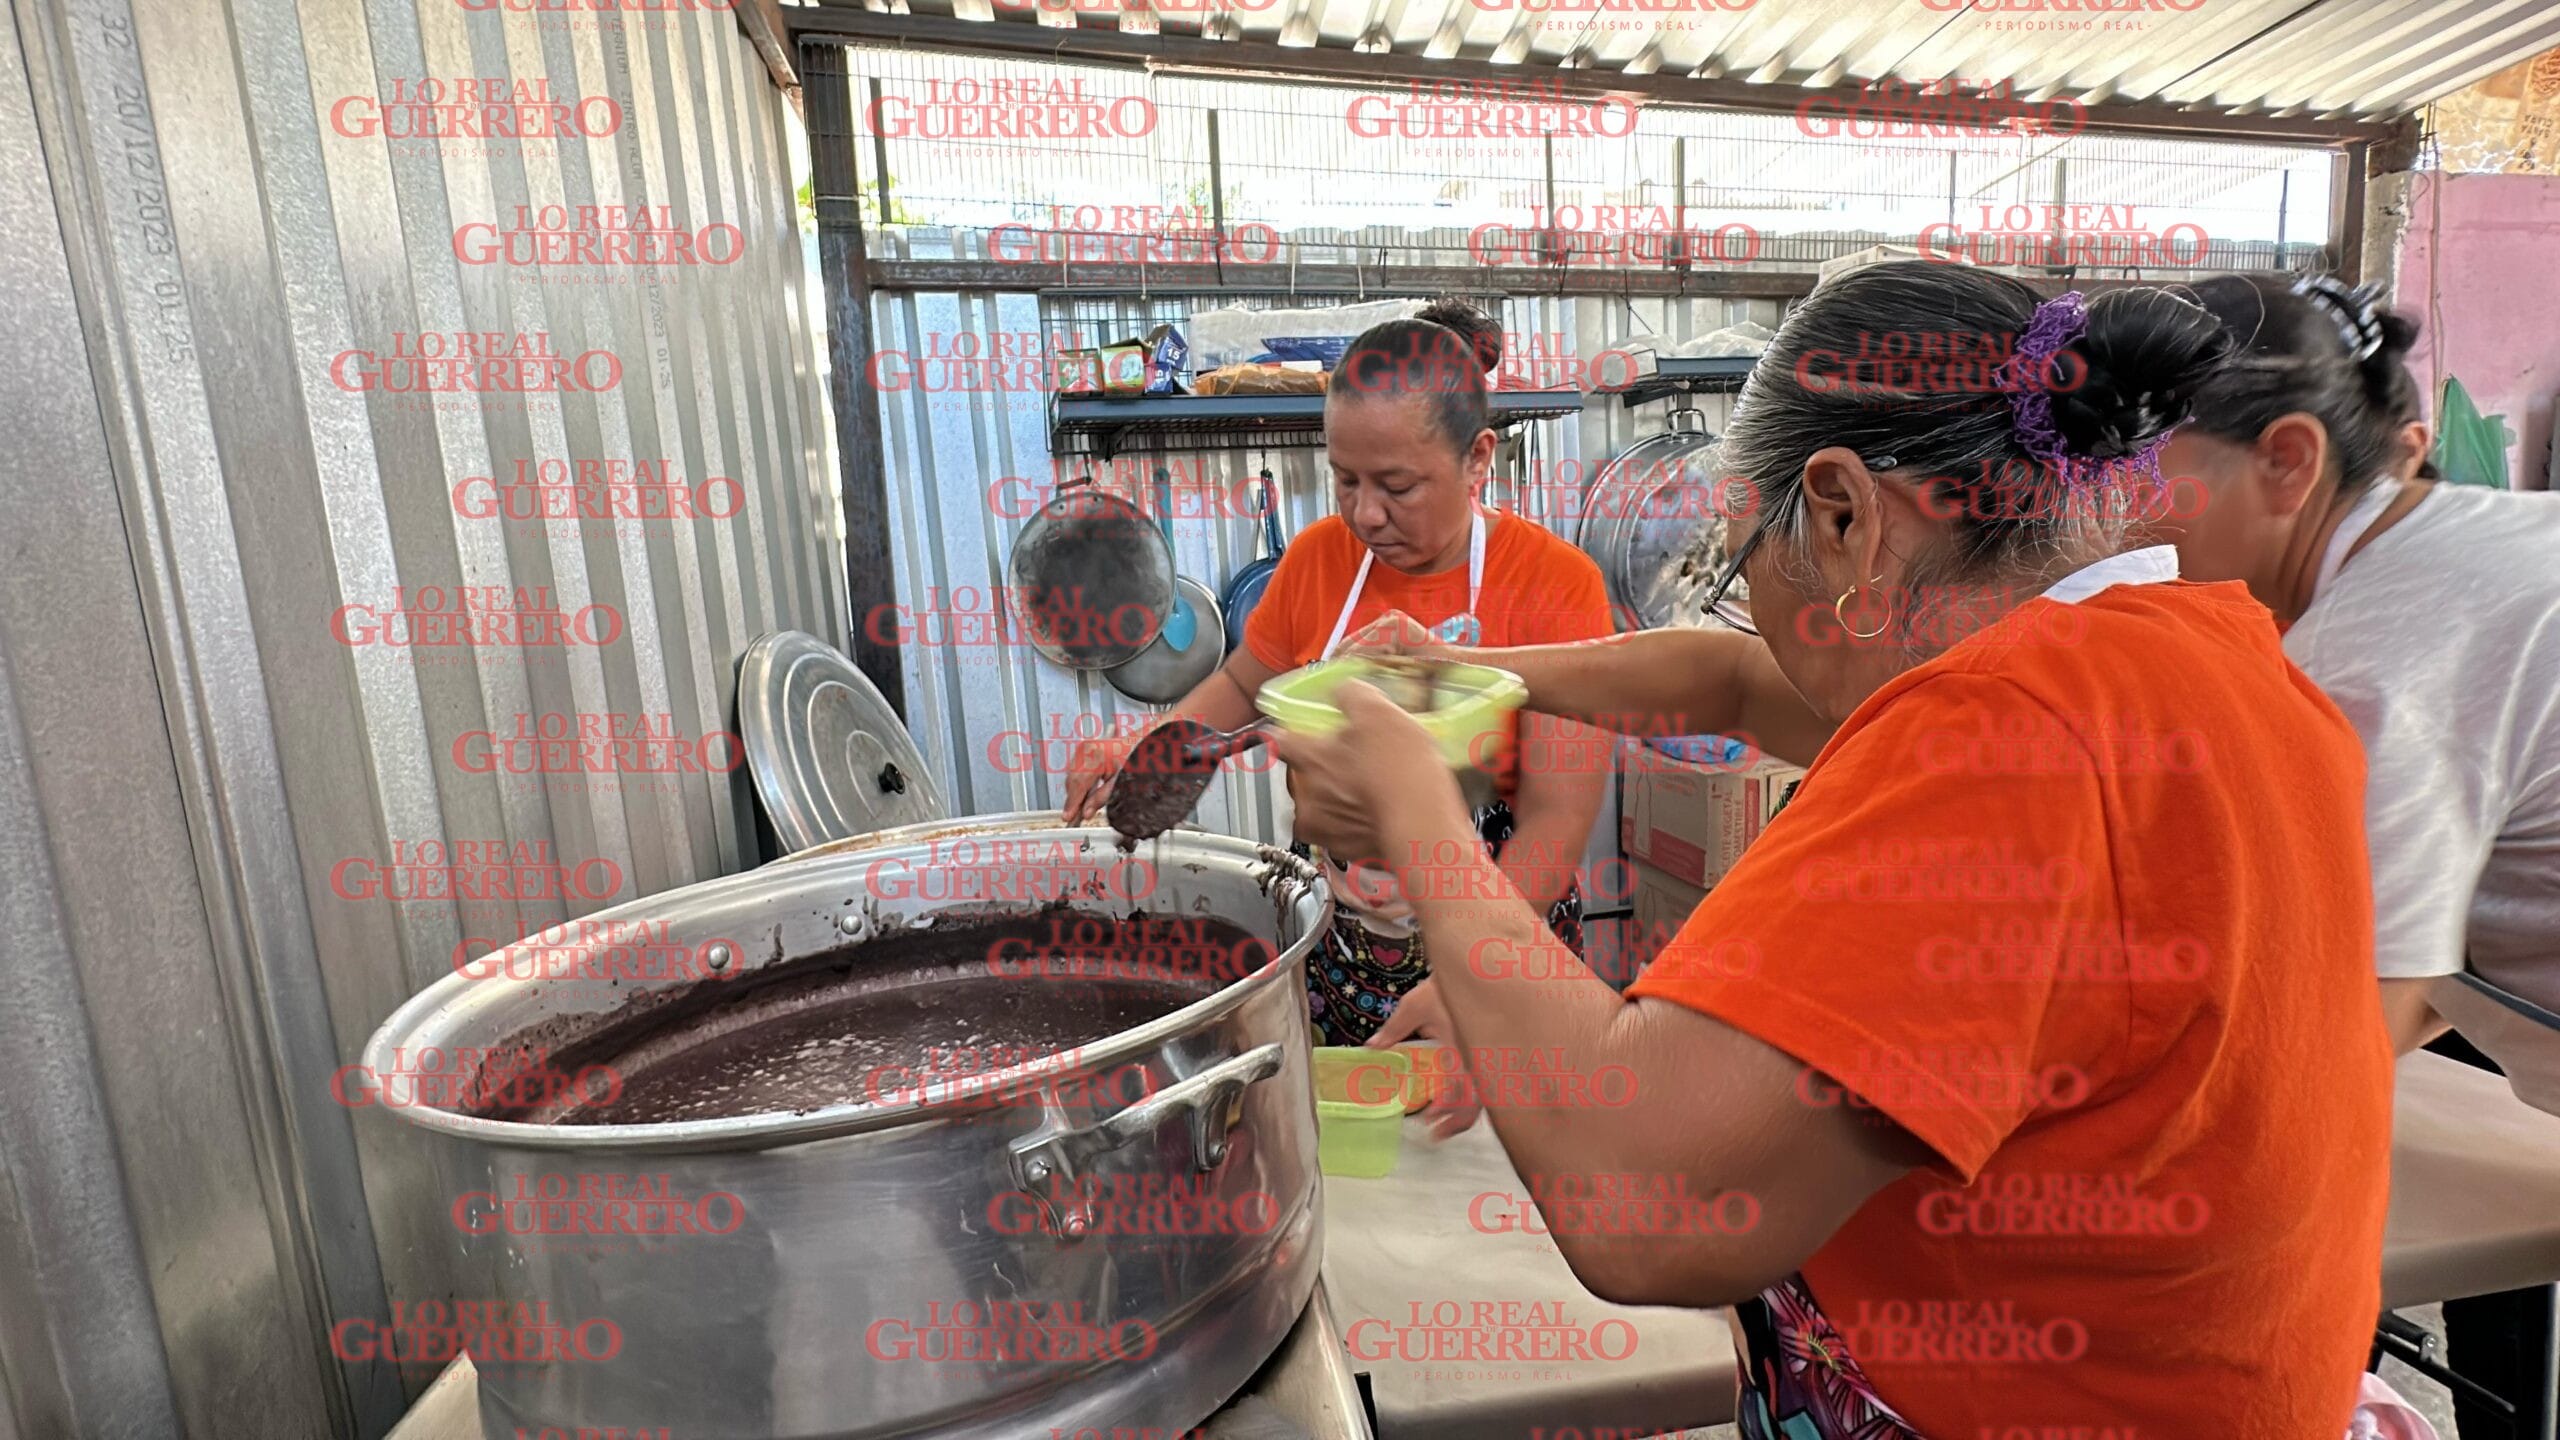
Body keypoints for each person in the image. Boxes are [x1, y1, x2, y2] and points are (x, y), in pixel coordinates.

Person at [1278, 263, 2393, 1438]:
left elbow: (1643, 1207)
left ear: (1845, 513)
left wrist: (1423, 820)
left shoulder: (2000, 740)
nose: (1739, 599)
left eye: (1738, 556)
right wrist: (1459, 684)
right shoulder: (2197, 654)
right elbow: (1726, 676)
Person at [2155, 271, 2560, 1440]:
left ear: (2286, 460)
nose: (2137, 529)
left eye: (2154, 487)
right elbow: (2423, 943)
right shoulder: (2492, 538)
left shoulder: (2369, 657)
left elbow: (2328, 1050)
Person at [1061, 299, 1613, 1046]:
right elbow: (1240, 685)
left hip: (1503, 932)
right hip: (1344, 942)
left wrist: (1476, 968)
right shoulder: (1320, 558)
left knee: (1486, 1155)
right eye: (1344, 480)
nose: (1367, 515)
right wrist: (1148, 741)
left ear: (1478, 458)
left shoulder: (1555, 584)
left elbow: (1556, 820)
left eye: (1398, 485)